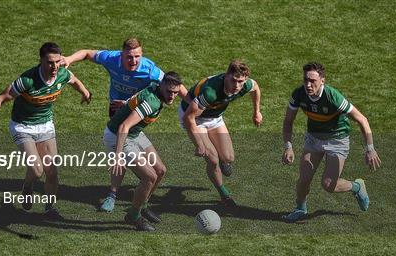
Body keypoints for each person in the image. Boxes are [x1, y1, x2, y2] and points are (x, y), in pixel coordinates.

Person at [63, 37, 187, 212]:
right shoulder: (112, 60)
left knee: (160, 171)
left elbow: (173, 85)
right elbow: (86, 53)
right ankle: (117, 198)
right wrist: (68, 59)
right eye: (129, 57)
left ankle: (142, 204)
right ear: (121, 55)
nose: (133, 61)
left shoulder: (151, 73)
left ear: (142, 55)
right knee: (136, 168)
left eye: (137, 57)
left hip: (133, 120)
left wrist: (194, 104)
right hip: (121, 123)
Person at [0, 42, 92, 218]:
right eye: (50, 62)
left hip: (45, 125)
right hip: (22, 126)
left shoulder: (62, 73)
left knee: (52, 171)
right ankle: (27, 187)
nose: (54, 67)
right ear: (41, 61)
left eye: (57, 62)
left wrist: (85, 92)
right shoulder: (27, 80)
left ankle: (50, 208)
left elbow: (73, 80)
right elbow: (1, 98)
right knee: (37, 170)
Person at [281, 62, 381, 222]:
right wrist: (288, 146)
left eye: (313, 81)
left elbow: (362, 119)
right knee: (304, 179)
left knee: (329, 185)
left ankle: (357, 186)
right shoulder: (299, 94)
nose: (308, 84)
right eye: (306, 80)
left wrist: (370, 148)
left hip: (337, 140)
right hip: (314, 139)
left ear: (322, 81)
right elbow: (288, 121)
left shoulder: (332, 96)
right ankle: (300, 209)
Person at [103, 72, 183, 231]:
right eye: (169, 91)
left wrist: (127, 104)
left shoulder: (155, 86)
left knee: (160, 171)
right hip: (118, 137)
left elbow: (139, 97)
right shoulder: (152, 102)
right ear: (161, 86)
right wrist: (118, 157)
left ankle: (143, 206)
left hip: (135, 133)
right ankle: (133, 216)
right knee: (149, 177)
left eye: (176, 92)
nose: (172, 96)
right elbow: (123, 126)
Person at [180, 60, 263, 208]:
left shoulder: (244, 86)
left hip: (215, 117)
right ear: (226, 76)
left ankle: (223, 161)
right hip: (195, 118)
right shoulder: (210, 92)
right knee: (212, 159)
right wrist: (199, 144)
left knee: (228, 157)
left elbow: (255, 87)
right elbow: (189, 118)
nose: (237, 86)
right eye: (233, 80)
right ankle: (224, 194)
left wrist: (256, 112)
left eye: (241, 82)